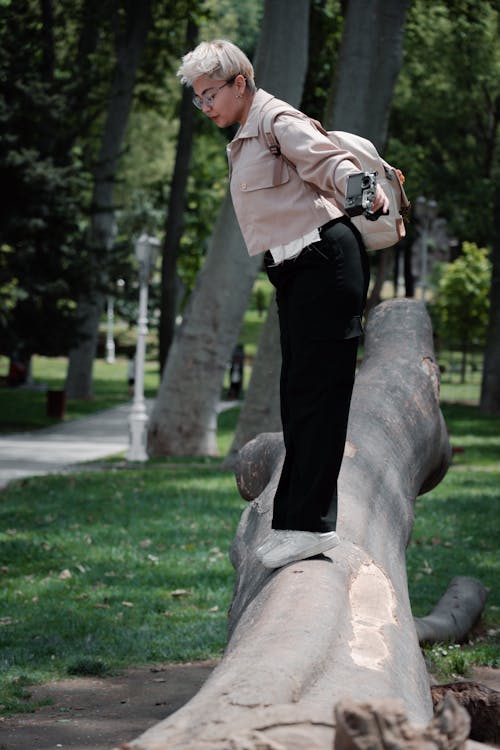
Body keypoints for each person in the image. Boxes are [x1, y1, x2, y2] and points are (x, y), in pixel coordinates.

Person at [177, 40, 389, 569]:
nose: (205, 108)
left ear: (240, 84)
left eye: (209, 96)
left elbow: (328, 162)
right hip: (296, 274)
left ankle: (313, 525)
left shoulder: (275, 120)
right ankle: (294, 521)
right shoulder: (247, 133)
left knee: (318, 397)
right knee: (298, 396)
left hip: (326, 264)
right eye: (198, 100)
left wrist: (362, 188)